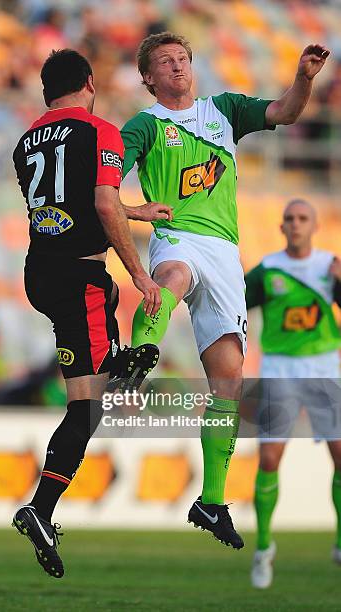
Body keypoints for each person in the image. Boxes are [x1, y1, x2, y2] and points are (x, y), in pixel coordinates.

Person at [119, 31, 330, 549]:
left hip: (226, 253)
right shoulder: (144, 126)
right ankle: (136, 356)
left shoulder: (225, 110)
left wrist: (303, 79)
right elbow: (103, 192)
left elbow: (286, 111)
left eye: (183, 59)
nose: (177, 67)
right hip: (177, 235)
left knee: (229, 384)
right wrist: (135, 210)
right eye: (165, 62)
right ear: (148, 77)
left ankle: (211, 500)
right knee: (172, 278)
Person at [11, 49, 170, 578]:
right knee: (89, 406)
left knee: (98, 390)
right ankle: (40, 509)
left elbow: (70, 200)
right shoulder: (100, 130)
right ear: (89, 83)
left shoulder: (25, 142)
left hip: (41, 271)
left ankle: (42, 511)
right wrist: (142, 275)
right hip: (81, 277)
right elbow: (100, 204)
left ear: (45, 92)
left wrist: (135, 210)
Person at [246, 199, 341, 588]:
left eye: (303, 218)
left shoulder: (329, 265)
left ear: (315, 225)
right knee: (269, 457)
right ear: (281, 226)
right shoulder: (267, 269)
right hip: (280, 367)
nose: (296, 224)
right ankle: (264, 549)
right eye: (289, 218)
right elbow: (235, 303)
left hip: (324, 366)